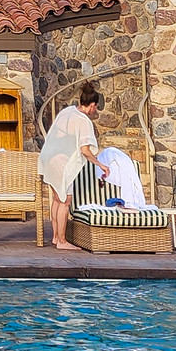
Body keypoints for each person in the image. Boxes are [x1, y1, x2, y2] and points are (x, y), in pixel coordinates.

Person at [40, 84, 104, 251]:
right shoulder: (83, 121)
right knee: (65, 200)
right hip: (62, 162)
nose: (94, 111)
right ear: (92, 105)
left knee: (56, 198)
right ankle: (62, 241)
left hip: (48, 157)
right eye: (95, 108)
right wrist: (100, 164)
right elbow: (85, 150)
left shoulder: (67, 111)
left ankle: (55, 237)